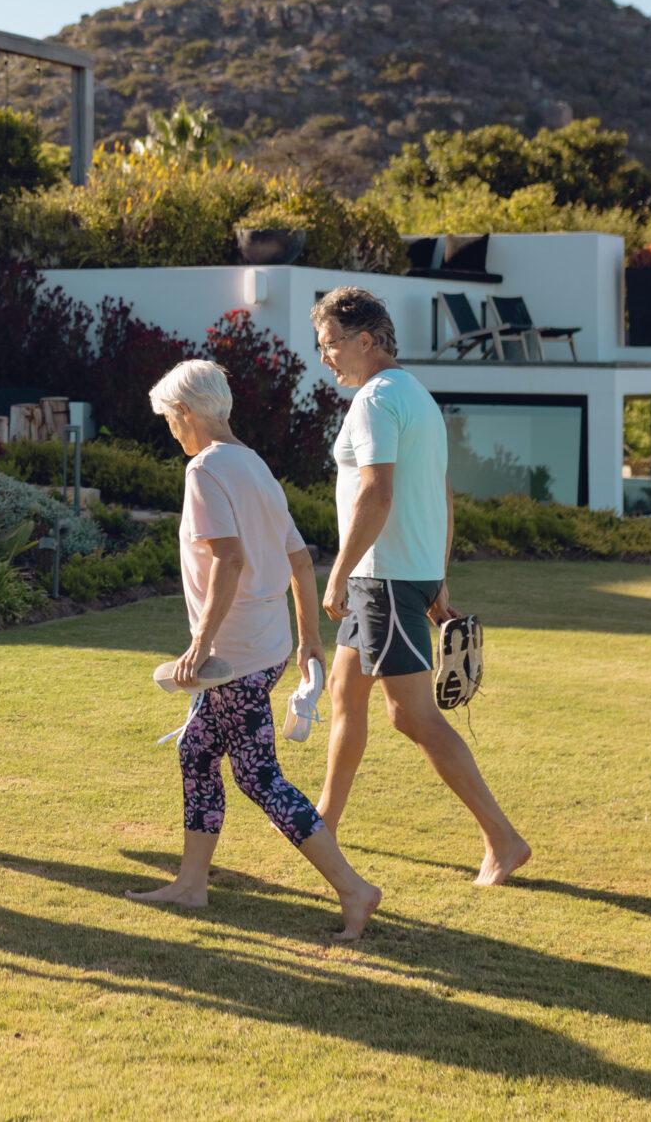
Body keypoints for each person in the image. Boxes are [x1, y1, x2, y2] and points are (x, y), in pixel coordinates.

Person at [124, 359, 379, 937]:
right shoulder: (256, 465)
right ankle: (191, 884)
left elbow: (230, 559)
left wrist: (200, 643)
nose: (172, 431)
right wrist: (309, 639)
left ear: (185, 412)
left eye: (170, 419)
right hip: (265, 648)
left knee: (259, 777)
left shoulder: (205, 470)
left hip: (233, 657)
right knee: (196, 751)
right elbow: (299, 560)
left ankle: (354, 889)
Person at [311, 285, 530, 886]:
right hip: (399, 574)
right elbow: (443, 493)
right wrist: (438, 578)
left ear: (365, 340)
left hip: (381, 579)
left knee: (412, 717)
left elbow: (377, 492)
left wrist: (337, 574)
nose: (325, 357)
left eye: (330, 344)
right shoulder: (416, 394)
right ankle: (323, 823)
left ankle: (503, 840)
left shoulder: (375, 400)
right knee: (345, 691)